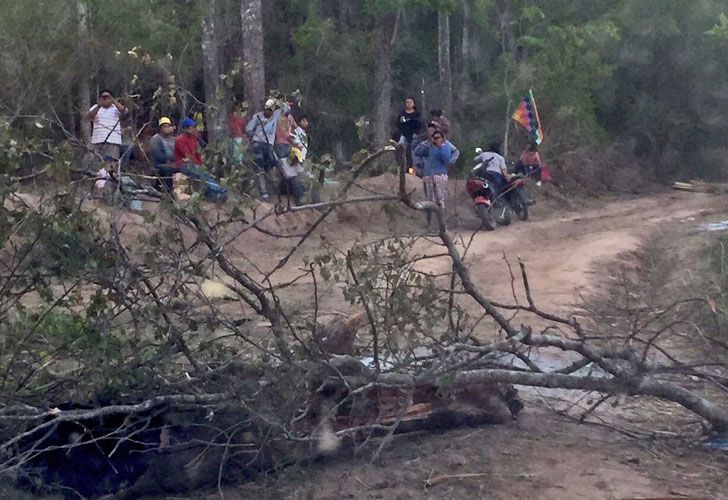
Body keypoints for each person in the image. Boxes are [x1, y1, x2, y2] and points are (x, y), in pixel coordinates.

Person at [414, 131, 460, 231]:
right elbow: (416, 152)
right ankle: (429, 225)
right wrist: (426, 143)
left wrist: (440, 147)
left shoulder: (445, 147)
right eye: (434, 137)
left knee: (440, 200)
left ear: (443, 138)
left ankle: (442, 224)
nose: (435, 139)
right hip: (428, 176)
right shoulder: (427, 147)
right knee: (429, 200)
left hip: (440, 175)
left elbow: (446, 160)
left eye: (438, 137)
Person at [246, 98, 287, 199]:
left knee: (275, 161)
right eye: (267, 109)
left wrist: (277, 100)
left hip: (269, 145)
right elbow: (248, 129)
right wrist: (255, 135)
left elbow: (286, 108)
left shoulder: (275, 115)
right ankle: (263, 191)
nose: (268, 112)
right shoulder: (257, 117)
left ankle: (275, 183)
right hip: (258, 143)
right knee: (260, 165)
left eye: (270, 110)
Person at [87, 90, 125, 162]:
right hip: (97, 141)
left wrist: (113, 100)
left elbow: (124, 111)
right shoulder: (95, 107)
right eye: (103, 97)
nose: (106, 99)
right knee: (97, 163)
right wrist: (99, 105)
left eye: (108, 97)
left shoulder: (116, 108)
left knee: (111, 164)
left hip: (113, 141)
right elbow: (89, 116)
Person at [395, 97, 423, 170]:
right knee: (400, 148)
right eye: (407, 102)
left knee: (412, 152)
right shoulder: (402, 113)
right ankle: (401, 166)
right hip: (403, 135)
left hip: (414, 136)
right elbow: (398, 124)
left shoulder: (417, 114)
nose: (409, 104)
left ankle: (413, 167)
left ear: (413, 104)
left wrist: (416, 133)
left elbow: (420, 124)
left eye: (410, 102)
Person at [150, 117, 177, 191]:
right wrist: (167, 161)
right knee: (168, 170)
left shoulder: (173, 139)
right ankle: (167, 191)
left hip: (173, 162)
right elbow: (157, 154)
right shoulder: (156, 139)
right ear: (160, 128)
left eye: (168, 126)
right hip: (160, 164)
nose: (167, 128)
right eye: (165, 126)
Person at [228, 102, 247, 166]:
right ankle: (234, 164)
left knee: (238, 150)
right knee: (232, 150)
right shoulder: (232, 117)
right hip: (232, 136)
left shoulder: (242, 118)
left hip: (239, 136)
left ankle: (239, 164)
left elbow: (244, 127)